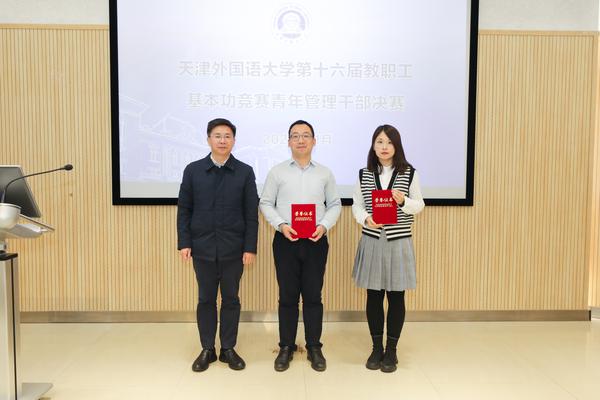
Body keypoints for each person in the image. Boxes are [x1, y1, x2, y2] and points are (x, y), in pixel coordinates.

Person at [177, 118, 259, 372]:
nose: (222, 140)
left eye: (227, 136)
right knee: (206, 299)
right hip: (202, 247)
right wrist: (184, 242)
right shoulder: (193, 170)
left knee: (231, 299)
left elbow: (251, 214)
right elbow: (184, 209)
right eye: (217, 136)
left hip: (234, 248)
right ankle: (207, 349)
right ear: (208, 139)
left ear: (234, 140)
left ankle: (228, 349)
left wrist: (250, 247)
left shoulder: (245, 172)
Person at [259, 120, 341, 372]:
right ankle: (286, 346)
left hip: (316, 241)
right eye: (295, 136)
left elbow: (334, 204)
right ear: (288, 142)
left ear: (314, 141)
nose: (301, 140)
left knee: (313, 296)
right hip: (286, 241)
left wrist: (324, 226)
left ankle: (314, 346)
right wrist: (281, 224)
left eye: (306, 135)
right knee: (287, 296)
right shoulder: (277, 172)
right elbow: (265, 203)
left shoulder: (325, 173)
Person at [351, 124, 425, 373]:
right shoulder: (364, 174)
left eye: (389, 142)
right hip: (372, 239)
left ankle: (391, 350)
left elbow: (419, 205)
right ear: (373, 145)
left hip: (398, 241)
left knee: (396, 296)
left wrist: (403, 201)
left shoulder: (409, 173)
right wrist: (366, 218)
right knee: (373, 295)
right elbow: (357, 205)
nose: (384, 147)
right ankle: (376, 348)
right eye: (380, 142)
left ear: (397, 146)